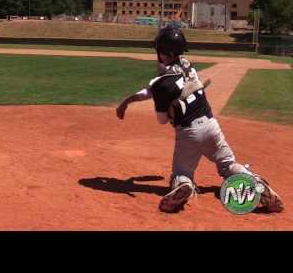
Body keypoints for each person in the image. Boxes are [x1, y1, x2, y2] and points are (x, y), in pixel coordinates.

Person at [116, 26, 284, 213]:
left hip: (188, 133)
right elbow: (157, 86)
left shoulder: (160, 85)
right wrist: (129, 100)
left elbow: (162, 120)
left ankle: (184, 184)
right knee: (228, 165)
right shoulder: (187, 65)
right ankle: (256, 183)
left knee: (182, 172)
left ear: (161, 51)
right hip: (211, 125)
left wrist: (164, 106)